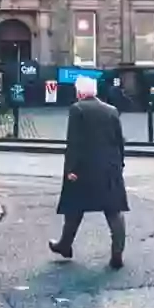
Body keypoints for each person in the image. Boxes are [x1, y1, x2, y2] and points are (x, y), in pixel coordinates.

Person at [49, 76, 128, 268]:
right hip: (110, 168)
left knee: (74, 208)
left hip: (84, 169)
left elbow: (74, 142)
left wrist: (70, 169)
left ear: (80, 93)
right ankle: (117, 254)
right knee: (113, 211)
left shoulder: (77, 109)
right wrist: (120, 164)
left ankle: (65, 245)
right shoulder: (112, 110)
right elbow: (120, 140)